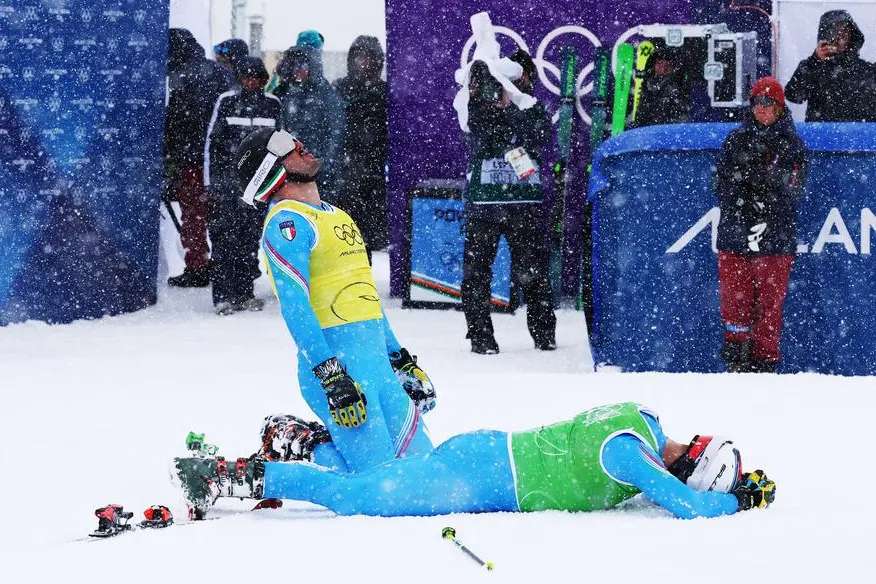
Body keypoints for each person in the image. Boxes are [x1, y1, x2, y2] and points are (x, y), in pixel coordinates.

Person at [231, 128, 435, 477]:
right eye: (285, 147)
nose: (299, 143)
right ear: (270, 172)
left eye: (295, 138)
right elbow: (295, 308)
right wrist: (332, 377)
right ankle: (297, 441)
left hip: (378, 370)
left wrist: (399, 359)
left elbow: (364, 296)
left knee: (426, 473)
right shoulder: (286, 223)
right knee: (382, 484)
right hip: (339, 374)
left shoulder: (337, 215)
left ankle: (315, 441)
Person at [173, 402, 776, 520]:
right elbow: (691, 510)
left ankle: (306, 441)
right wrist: (735, 498)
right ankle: (226, 476)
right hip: (477, 479)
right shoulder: (632, 457)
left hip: (483, 454)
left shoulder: (644, 420)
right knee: (354, 499)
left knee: (374, 481)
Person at [461, 54, 557, 355]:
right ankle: (481, 337)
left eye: (520, 79)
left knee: (533, 272)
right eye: (508, 81)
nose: (515, 85)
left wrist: (511, 107)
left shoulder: (534, 109)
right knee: (477, 272)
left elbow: (535, 136)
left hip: (523, 203)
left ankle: (544, 335)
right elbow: (483, 136)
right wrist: (490, 102)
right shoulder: (478, 106)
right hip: (485, 203)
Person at [715, 77, 808, 373]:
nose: (763, 110)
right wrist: (745, 202)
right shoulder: (736, 140)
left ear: (781, 108)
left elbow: (793, 189)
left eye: (770, 104)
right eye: (758, 103)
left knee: (769, 309)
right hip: (736, 234)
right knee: (734, 304)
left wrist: (765, 198)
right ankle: (736, 362)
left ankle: (765, 367)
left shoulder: (792, 145)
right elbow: (722, 185)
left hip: (776, 239)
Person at [204, 57, 283, 315]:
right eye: (246, 77)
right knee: (224, 240)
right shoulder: (226, 101)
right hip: (227, 187)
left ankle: (245, 293)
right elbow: (212, 145)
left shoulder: (272, 105)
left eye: (256, 78)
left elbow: (279, 146)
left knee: (249, 242)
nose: (251, 82)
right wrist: (211, 184)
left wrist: (273, 184)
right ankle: (223, 297)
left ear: (263, 80)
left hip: (257, 188)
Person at [165, 28, 233, 287]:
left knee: (194, 215)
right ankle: (226, 264)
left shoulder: (180, 76)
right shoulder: (222, 73)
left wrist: (170, 150)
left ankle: (198, 266)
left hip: (192, 156)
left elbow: (176, 120)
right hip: (222, 156)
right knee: (223, 213)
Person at [334, 36, 389, 250]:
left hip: (374, 172)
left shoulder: (385, 91)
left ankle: (363, 280)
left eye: (370, 58)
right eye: (361, 58)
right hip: (344, 172)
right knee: (343, 237)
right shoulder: (339, 87)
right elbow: (330, 128)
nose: (365, 63)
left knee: (366, 239)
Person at [272, 44, 345, 196]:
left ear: (312, 68)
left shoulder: (326, 95)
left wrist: (323, 165)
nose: (298, 71)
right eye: (293, 66)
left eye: (303, 65)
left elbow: (335, 133)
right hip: (287, 171)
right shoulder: (280, 94)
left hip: (318, 171)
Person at [785, 10, 876, 122]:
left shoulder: (868, 71)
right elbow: (793, 95)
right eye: (834, 31)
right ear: (824, 36)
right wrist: (815, 61)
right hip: (821, 137)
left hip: (862, 137)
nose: (839, 37)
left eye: (844, 31)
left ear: (852, 34)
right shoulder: (812, 67)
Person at [631, 45, 691, 128]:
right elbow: (641, 114)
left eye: (667, 65)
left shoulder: (676, 89)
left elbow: (682, 118)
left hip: (667, 132)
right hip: (648, 131)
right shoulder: (647, 84)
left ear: (672, 68)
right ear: (654, 65)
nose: (663, 68)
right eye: (659, 63)